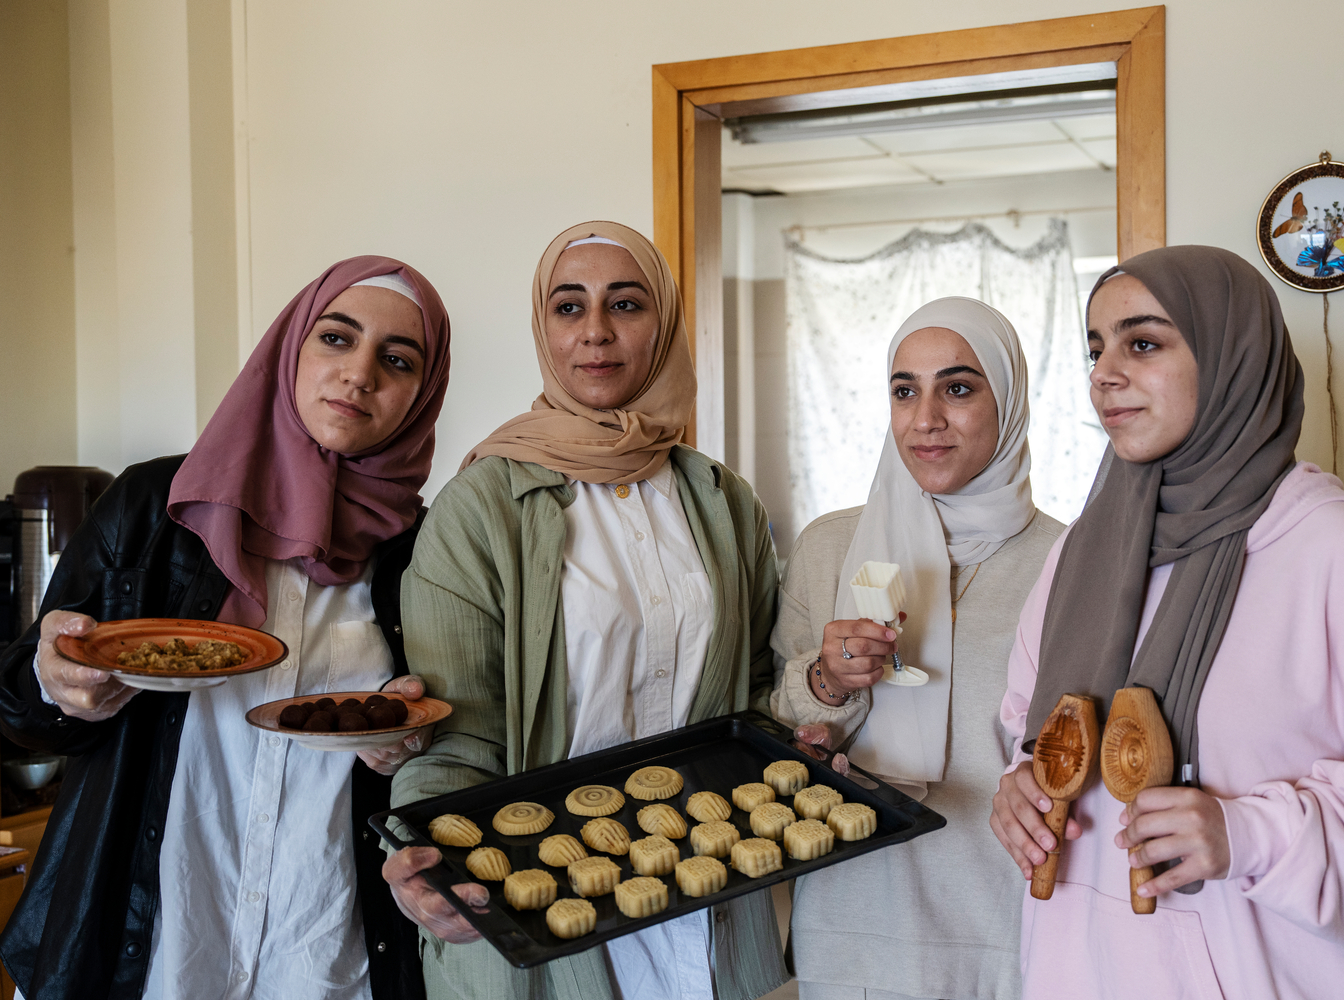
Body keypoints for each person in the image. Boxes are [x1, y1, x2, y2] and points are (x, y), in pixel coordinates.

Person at [989, 245, 1344, 999]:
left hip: (1267, 972)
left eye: (1142, 343)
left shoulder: (1338, 551)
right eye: (1096, 348)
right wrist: (1020, 785)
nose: (1104, 374)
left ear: (1231, 357)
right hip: (1081, 968)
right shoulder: (1081, 555)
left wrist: (1243, 834)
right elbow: (1030, 726)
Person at [0, 257, 452, 1000]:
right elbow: (19, 708)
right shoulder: (157, 505)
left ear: (421, 395)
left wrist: (408, 746)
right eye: (336, 339)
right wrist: (56, 682)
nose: (360, 374)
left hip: (322, 946)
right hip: (146, 941)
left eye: (397, 359)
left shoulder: (423, 551)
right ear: (290, 348)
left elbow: (445, 758)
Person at [381, 221, 788, 1000]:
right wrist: (427, 858)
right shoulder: (482, 508)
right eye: (569, 308)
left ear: (663, 323)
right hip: (544, 904)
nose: (596, 332)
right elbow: (455, 729)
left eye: (626, 304)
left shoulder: (723, 501)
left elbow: (758, 688)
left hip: (706, 893)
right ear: (543, 327)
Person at [767, 297, 1060, 1000]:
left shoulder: (1070, 562)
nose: (925, 418)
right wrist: (829, 683)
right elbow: (777, 737)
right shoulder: (828, 548)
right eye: (905, 391)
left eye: (957, 388)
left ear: (1010, 400)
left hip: (1008, 923)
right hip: (852, 918)